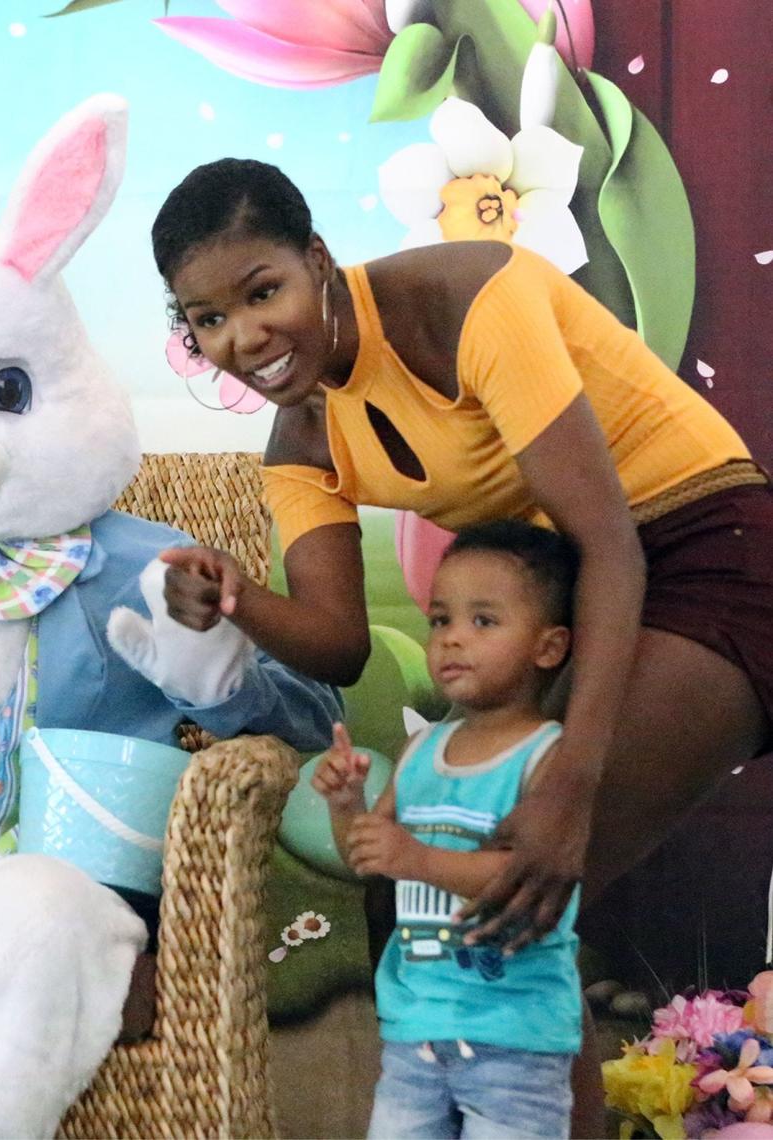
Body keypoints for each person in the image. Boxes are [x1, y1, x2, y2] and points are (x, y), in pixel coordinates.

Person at [149, 157, 773, 1129]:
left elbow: (610, 538)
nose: (244, 337)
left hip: (706, 549)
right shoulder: (300, 444)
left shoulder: (465, 296)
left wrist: (567, 779)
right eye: (208, 319)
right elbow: (337, 644)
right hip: (573, 594)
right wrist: (239, 598)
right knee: (452, 897)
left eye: (262, 291)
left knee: (521, 884)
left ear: (317, 258)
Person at [313, 520, 581, 1138]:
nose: (453, 640)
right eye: (440, 620)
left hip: (515, 1042)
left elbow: (527, 875)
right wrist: (349, 804)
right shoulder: (419, 751)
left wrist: (419, 860)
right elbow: (369, 858)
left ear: (548, 646)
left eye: (483, 621)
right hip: (415, 1034)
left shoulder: (550, 755)